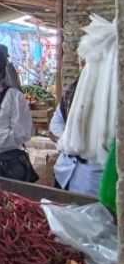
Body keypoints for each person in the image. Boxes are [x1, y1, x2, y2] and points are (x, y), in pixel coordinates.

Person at [49, 59, 103, 197]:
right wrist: (68, 141)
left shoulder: (111, 96)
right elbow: (56, 123)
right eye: (82, 62)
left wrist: (68, 143)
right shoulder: (72, 91)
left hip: (94, 176)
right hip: (66, 170)